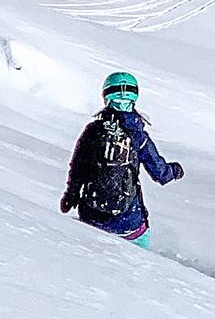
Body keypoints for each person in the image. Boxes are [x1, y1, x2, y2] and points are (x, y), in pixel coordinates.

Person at [60, 70, 184, 247]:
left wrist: (70, 195)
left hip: (91, 217)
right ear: (134, 97)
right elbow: (160, 173)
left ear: (106, 96)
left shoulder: (93, 130)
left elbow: (78, 167)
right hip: (128, 223)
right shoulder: (138, 136)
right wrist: (175, 171)